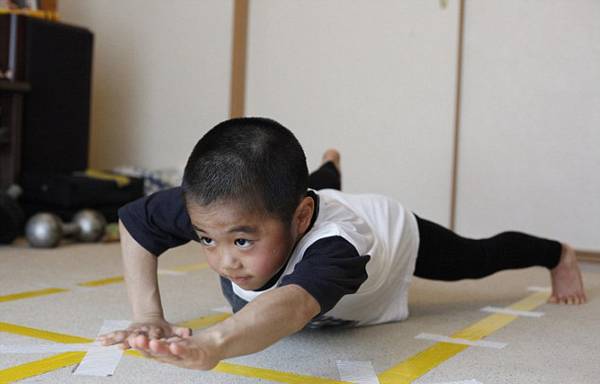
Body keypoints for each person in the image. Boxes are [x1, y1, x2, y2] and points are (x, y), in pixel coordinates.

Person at [99, 117, 586, 370]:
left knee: (478, 258)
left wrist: (214, 344)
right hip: (302, 205)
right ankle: (328, 169)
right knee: (300, 193)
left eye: (241, 240)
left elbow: (290, 309)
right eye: (205, 238)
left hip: (393, 235)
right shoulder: (213, 204)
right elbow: (135, 223)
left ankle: (554, 251)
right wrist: (147, 315)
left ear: (301, 218)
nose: (223, 260)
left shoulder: (340, 243)